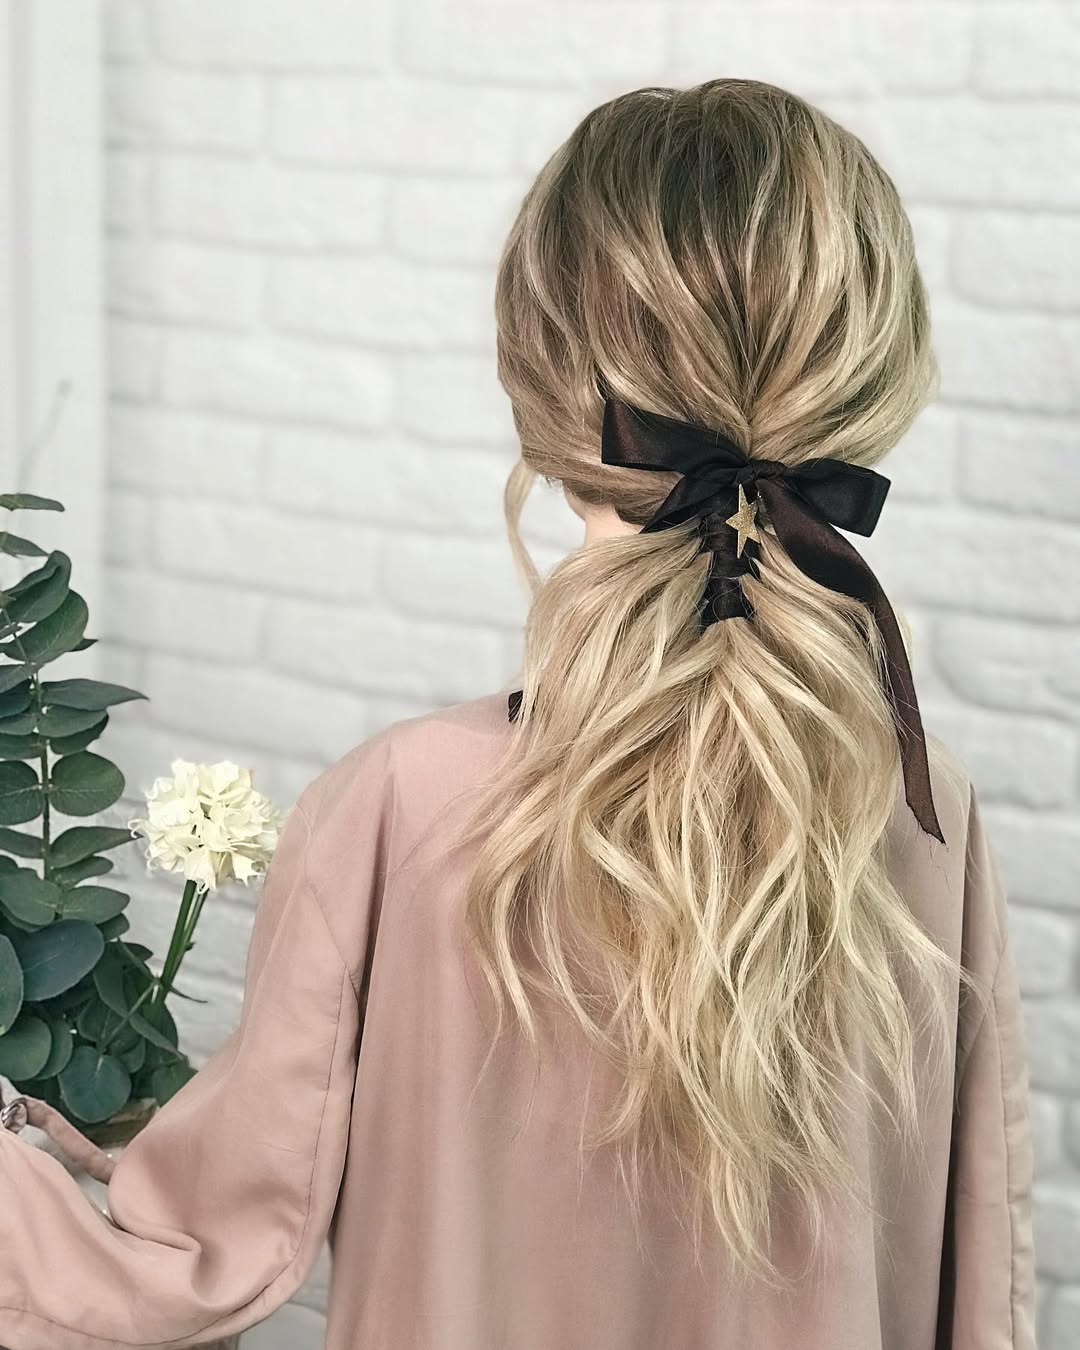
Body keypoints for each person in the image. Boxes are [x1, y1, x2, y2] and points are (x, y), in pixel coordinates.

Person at [0, 78, 1036, 1350]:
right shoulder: (927, 813)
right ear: (865, 392)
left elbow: (191, 1264)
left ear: (541, 399)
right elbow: (979, 1295)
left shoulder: (396, 808)